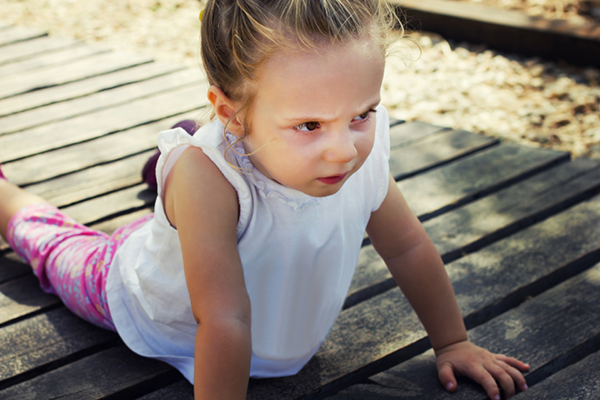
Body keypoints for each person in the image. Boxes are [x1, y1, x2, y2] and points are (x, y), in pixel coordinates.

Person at [0, 0, 530, 399]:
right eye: (309, 125)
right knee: (54, 244)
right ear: (230, 113)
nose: (344, 150)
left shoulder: (352, 153)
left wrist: (452, 342)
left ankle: (175, 173)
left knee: (210, 203)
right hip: (142, 293)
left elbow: (408, 246)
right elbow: (224, 319)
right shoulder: (210, 180)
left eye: (361, 114)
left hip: (221, 225)